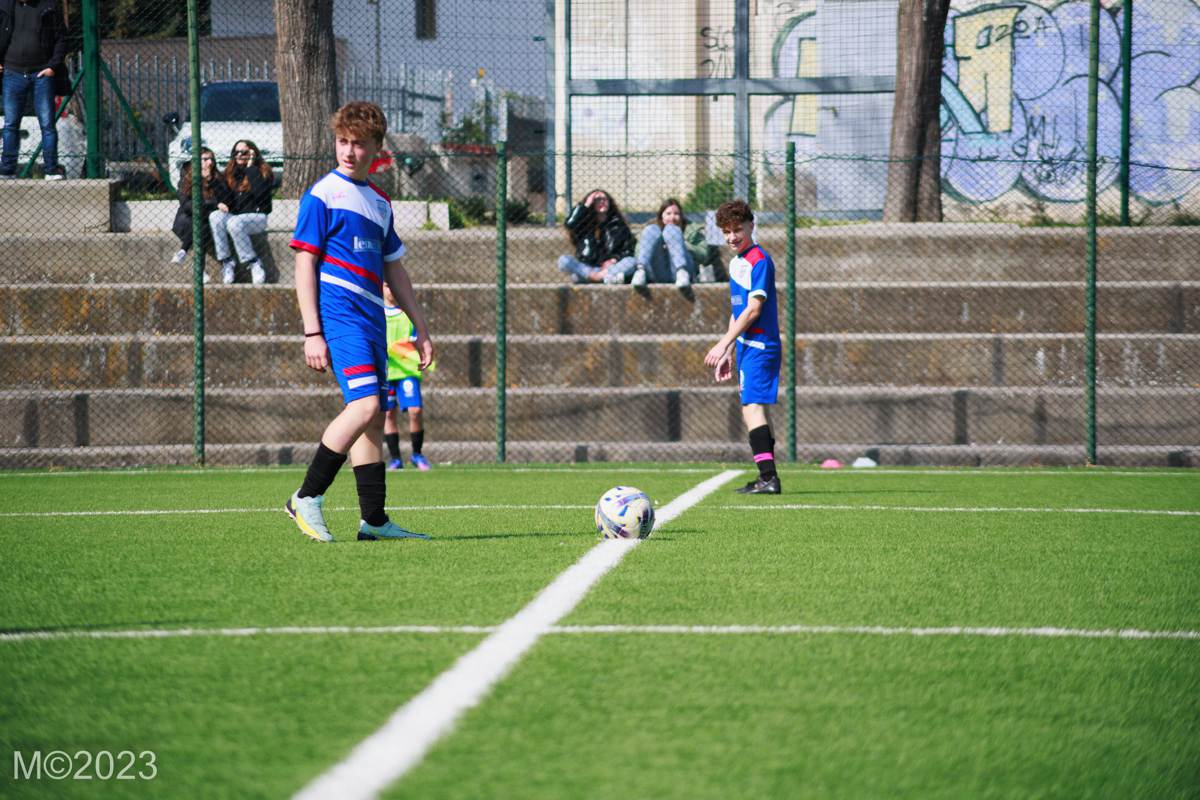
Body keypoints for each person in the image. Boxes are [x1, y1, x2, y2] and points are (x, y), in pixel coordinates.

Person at [285, 100, 434, 543]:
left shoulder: (380, 202)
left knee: (374, 414)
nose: (349, 151)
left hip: (372, 320)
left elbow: (395, 270)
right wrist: (312, 331)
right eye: (342, 141)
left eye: (359, 143)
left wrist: (420, 328)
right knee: (366, 406)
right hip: (339, 316)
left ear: (377, 148)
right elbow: (304, 264)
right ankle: (306, 496)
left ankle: (374, 521)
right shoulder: (322, 194)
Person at [703, 199, 781, 494]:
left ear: (751, 225)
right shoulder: (737, 262)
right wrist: (729, 350)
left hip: (760, 345)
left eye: (738, 229)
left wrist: (722, 343)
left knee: (752, 408)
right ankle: (767, 475)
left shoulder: (758, 260)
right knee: (757, 409)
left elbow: (753, 310)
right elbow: (738, 313)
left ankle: (768, 478)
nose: (732, 236)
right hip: (747, 346)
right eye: (726, 231)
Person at [0, 0, 67, 180]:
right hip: (12, 73)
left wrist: (53, 66)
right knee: (11, 124)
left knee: (47, 124)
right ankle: (7, 171)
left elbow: (61, 38)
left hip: (41, 74)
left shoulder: (48, 7)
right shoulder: (4, 7)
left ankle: (51, 170)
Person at [382, 287, 432, 472]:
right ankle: (395, 459)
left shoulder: (409, 314)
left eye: (392, 285)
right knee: (388, 414)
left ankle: (417, 454)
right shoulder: (377, 313)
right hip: (387, 372)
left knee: (415, 411)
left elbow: (415, 341)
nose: (391, 290)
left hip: (407, 372)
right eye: (387, 286)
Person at [210, 139, 273, 285]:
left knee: (234, 222)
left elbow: (261, 195)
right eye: (236, 152)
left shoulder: (263, 171)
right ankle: (227, 261)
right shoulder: (230, 173)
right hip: (236, 219)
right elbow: (227, 199)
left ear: (252, 154)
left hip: (258, 217)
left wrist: (251, 167)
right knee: (215, 216)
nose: (239, 155)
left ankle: (253, 262)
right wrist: (220, 202)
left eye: (243, 152)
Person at [630, 198, 716, 288]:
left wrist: (681, 245)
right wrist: (656, 246)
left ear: (681, 216)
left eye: (676, 214)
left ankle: (681, 270)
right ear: (661, 216)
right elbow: (638, 253)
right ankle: (641, 270)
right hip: (658, 270)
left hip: (685, 272)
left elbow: (704, 255)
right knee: (651, 229)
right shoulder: (651, 229)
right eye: (668, 214)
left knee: (671, 230)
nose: (672, 217)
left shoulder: (692, 229)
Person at [557, 188, 635, 284]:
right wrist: (585, 205)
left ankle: (598, 278)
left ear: (609, 202)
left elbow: (628, 250)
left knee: (631, 262)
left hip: (610, 268)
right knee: (563, 260)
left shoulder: (619, 225)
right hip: (588, 268)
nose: (602, 202)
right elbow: (569, 224)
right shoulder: (583, 225)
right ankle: (601, 278)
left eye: (604, 199)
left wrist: (614, 259)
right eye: (597, 200)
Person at [170, 147, 224, 266]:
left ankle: (183, 251)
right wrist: (212, 205)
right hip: (187, 219)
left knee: (203, 224)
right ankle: (199, 269)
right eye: (205, 159)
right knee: (201, 223)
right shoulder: (186, 179)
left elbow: (223, 199)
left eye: (211, 159)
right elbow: (187, 206)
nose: (210, 163)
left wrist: (210, 180)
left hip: (208, 220)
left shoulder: (217, 178)